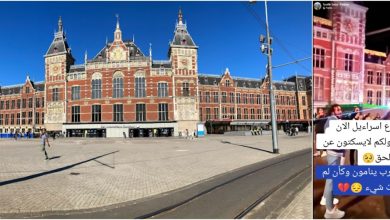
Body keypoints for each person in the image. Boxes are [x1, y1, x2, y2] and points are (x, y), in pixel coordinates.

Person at [322, 104, 345, 219]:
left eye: (341, 109)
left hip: (335, 153)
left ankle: (329, 205)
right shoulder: (332, 120)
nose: (340, 111)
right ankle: (330, 211)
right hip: (334, 154)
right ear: (332, 112)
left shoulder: (335, 120)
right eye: (338, 109)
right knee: (331, 181)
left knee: (330, 180)